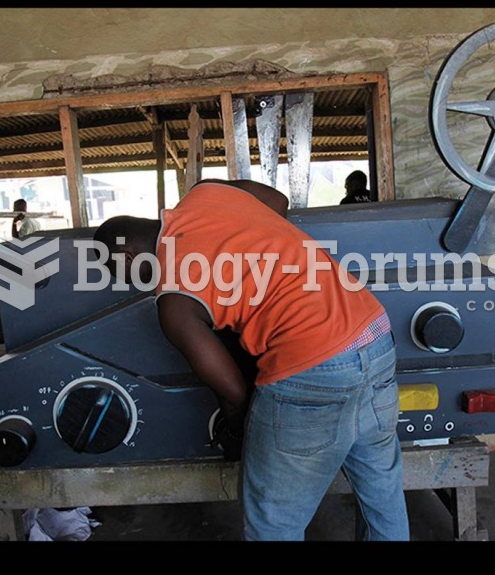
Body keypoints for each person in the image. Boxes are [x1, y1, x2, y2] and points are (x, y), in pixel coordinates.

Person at [93, 179, 408, 541]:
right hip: (374, 334)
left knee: (274, 524)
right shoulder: (206, 193)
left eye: (124, 276)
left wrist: (245, 430)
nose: (137, 286)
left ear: (129, 257)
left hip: (309, 369)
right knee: (381, 497)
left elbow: (233, 390)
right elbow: (278, 200)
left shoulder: (174, 301)